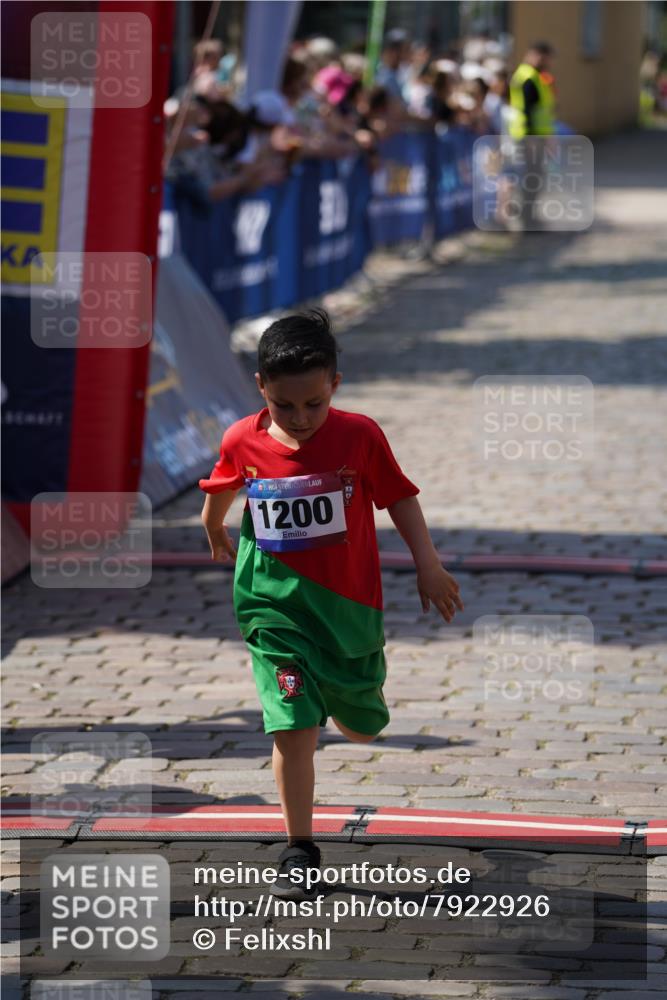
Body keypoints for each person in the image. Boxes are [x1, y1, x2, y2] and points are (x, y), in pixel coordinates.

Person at [200, 309, 463, 899]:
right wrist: (214, 528)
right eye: (284, 406)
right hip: (271, 607)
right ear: (261, 388)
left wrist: (428, 564)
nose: (299, 418)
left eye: (313, 404)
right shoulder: (242, 438)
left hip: (348, 609)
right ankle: (299, 848)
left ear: (335, 385)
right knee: (293, 724)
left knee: (363, 728)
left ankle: (345, 697)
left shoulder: (360, 436)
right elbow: (222, 487)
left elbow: (400, 498)